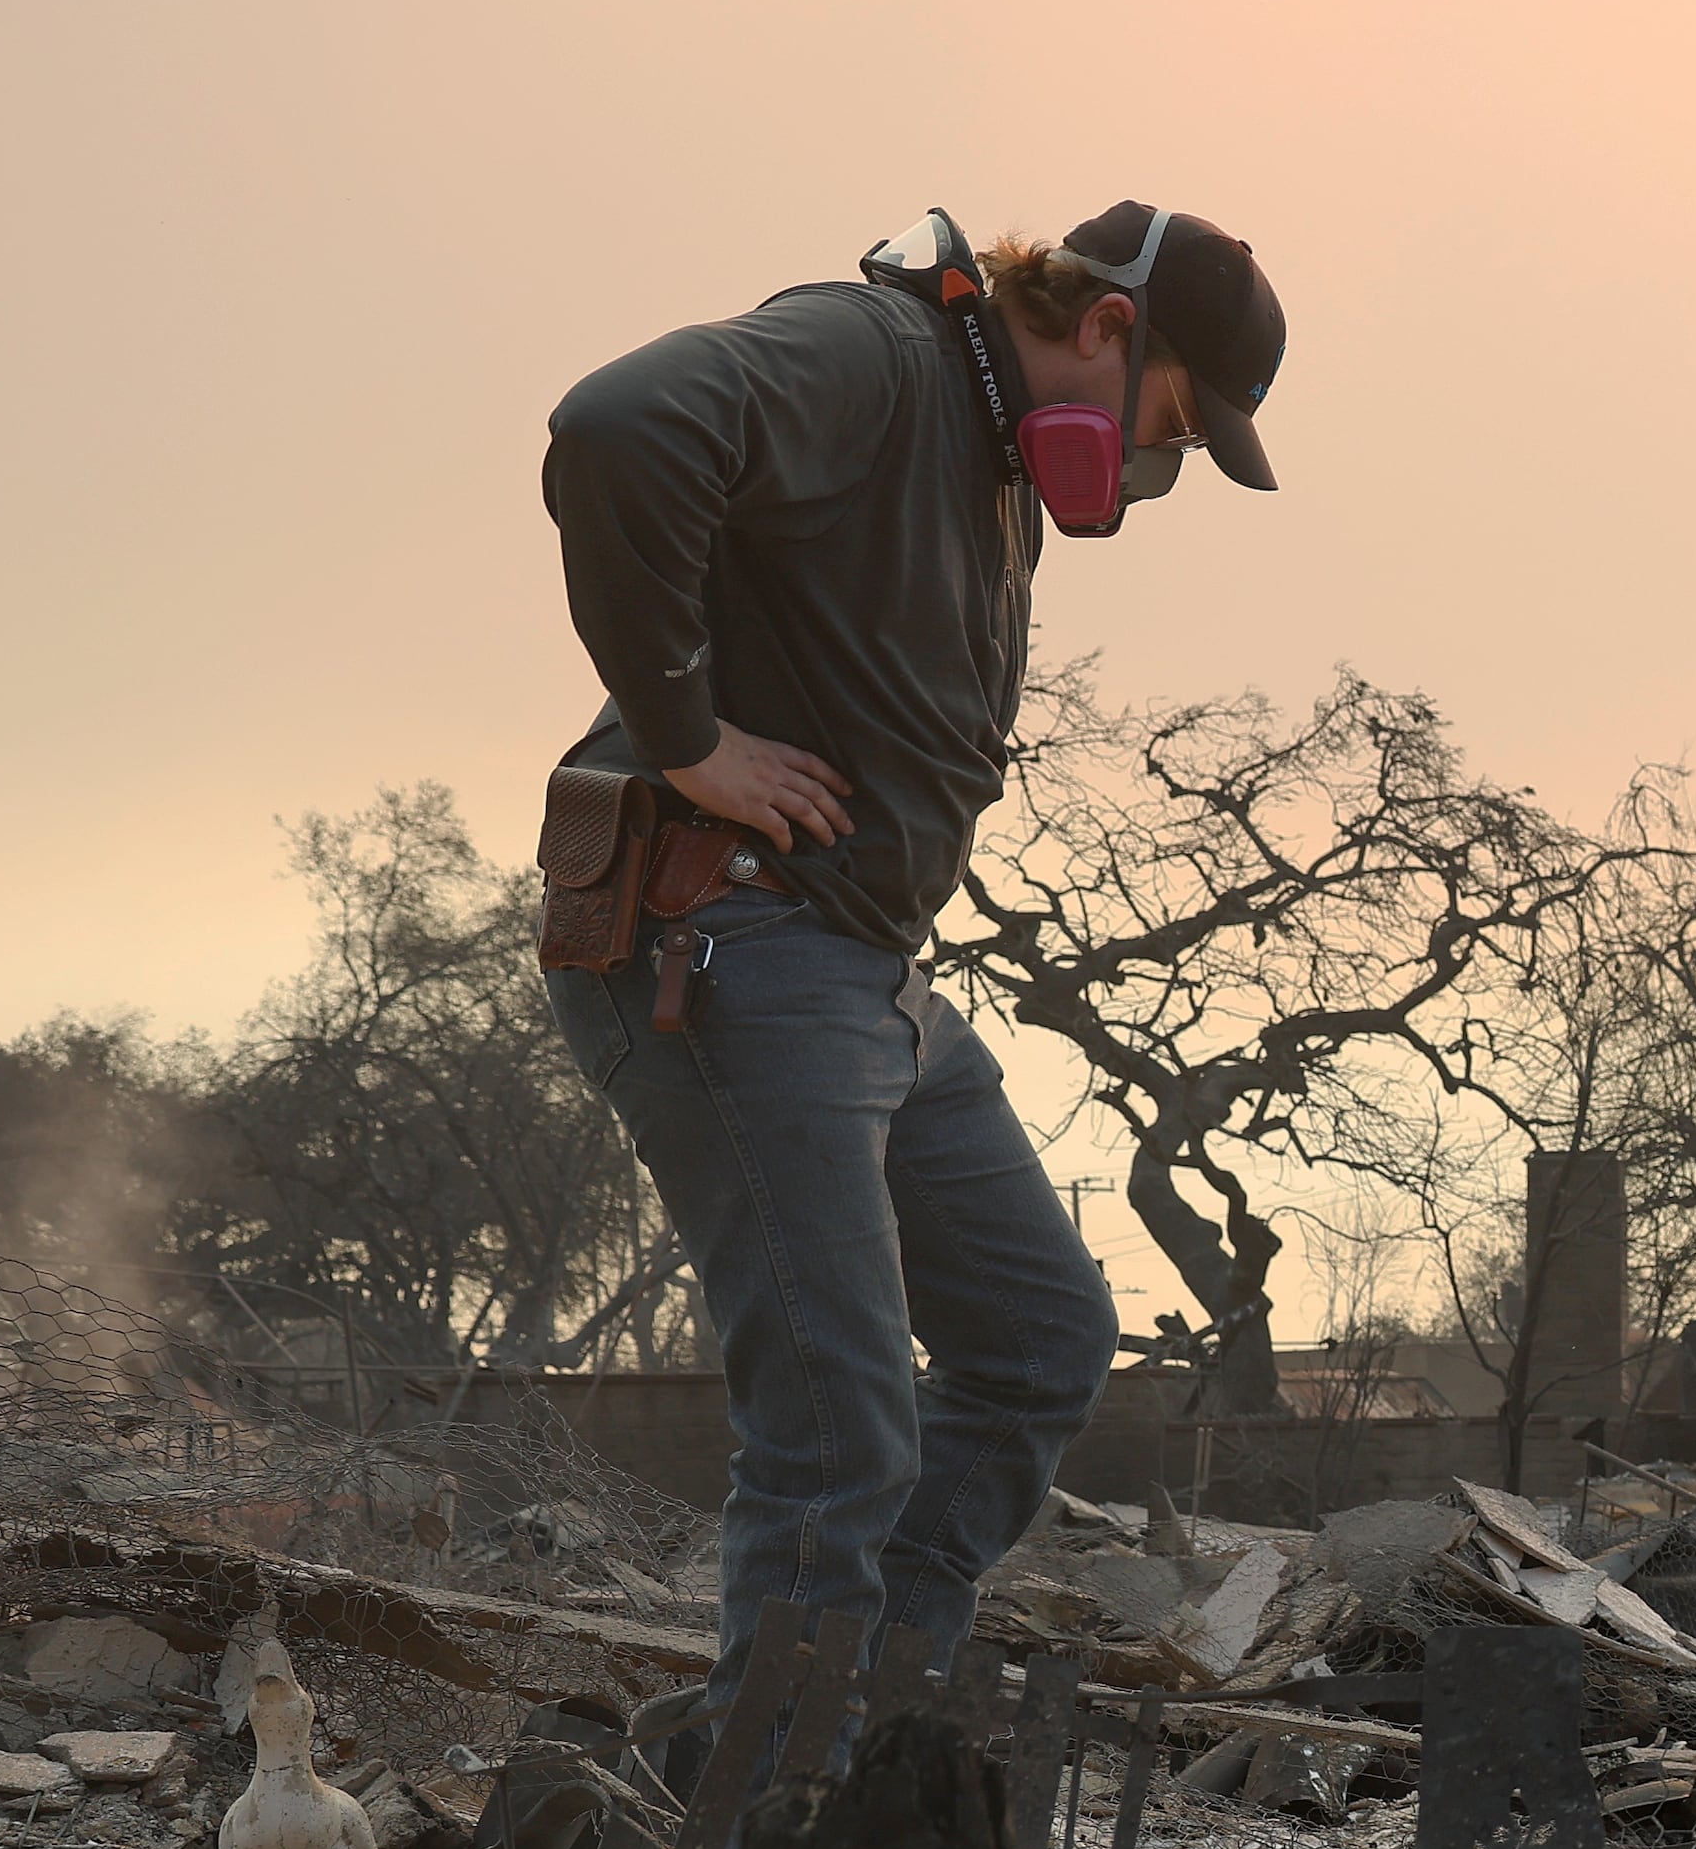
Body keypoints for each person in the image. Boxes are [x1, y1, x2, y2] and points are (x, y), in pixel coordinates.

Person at [535, 204, 1284, 1679]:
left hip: (863, 970)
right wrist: (686, 737)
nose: (1150, 475)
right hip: (734, 941)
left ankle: (871, 1717)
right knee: (839, 1435)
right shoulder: (879, 357)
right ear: (1108, 330)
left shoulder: (994, 462)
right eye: (1172, 431)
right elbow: (617, 427)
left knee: (1040, 1337)